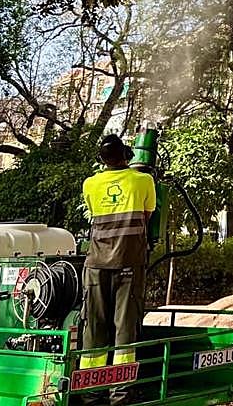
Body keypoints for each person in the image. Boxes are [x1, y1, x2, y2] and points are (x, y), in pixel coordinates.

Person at [80, 132, 156, 403]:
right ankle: (120, 393)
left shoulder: (90, 184)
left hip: (96, 265)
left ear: (102, 159)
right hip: (129, 264)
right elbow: (148, 214)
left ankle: (90, 393)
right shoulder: (144, 180)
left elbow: (93, 215)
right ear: (126, 156)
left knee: (94, 331)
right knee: (125, 331)